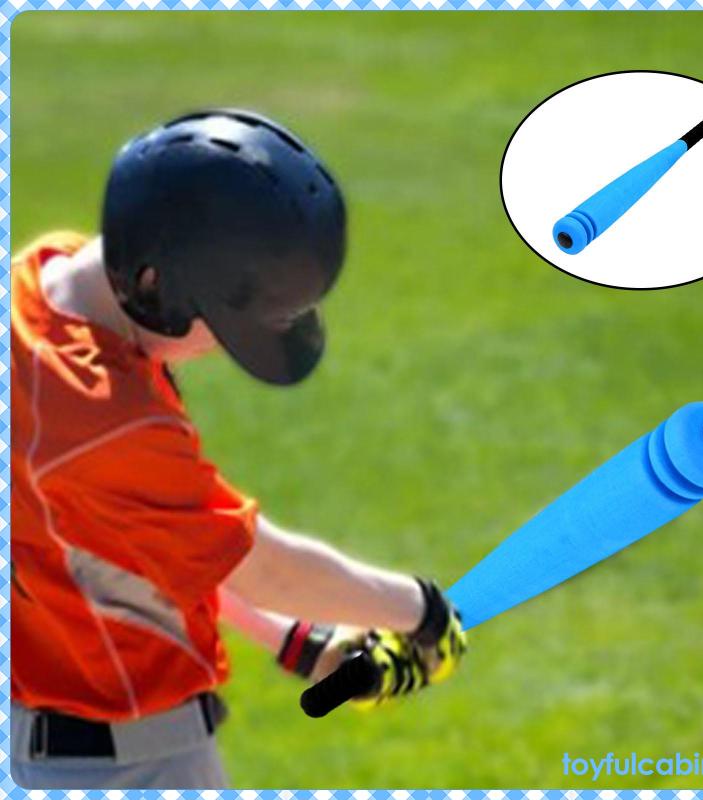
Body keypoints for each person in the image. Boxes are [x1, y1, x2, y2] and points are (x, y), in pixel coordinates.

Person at [10, 109, 466, 790]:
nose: (226, 349)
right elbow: (262, 568)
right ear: (154, 286)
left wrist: (297, 640)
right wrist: (420, 610)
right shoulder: (100, 417)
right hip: (125, 763)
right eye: (226, 326)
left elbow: (157, 546)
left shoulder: (42, 281)